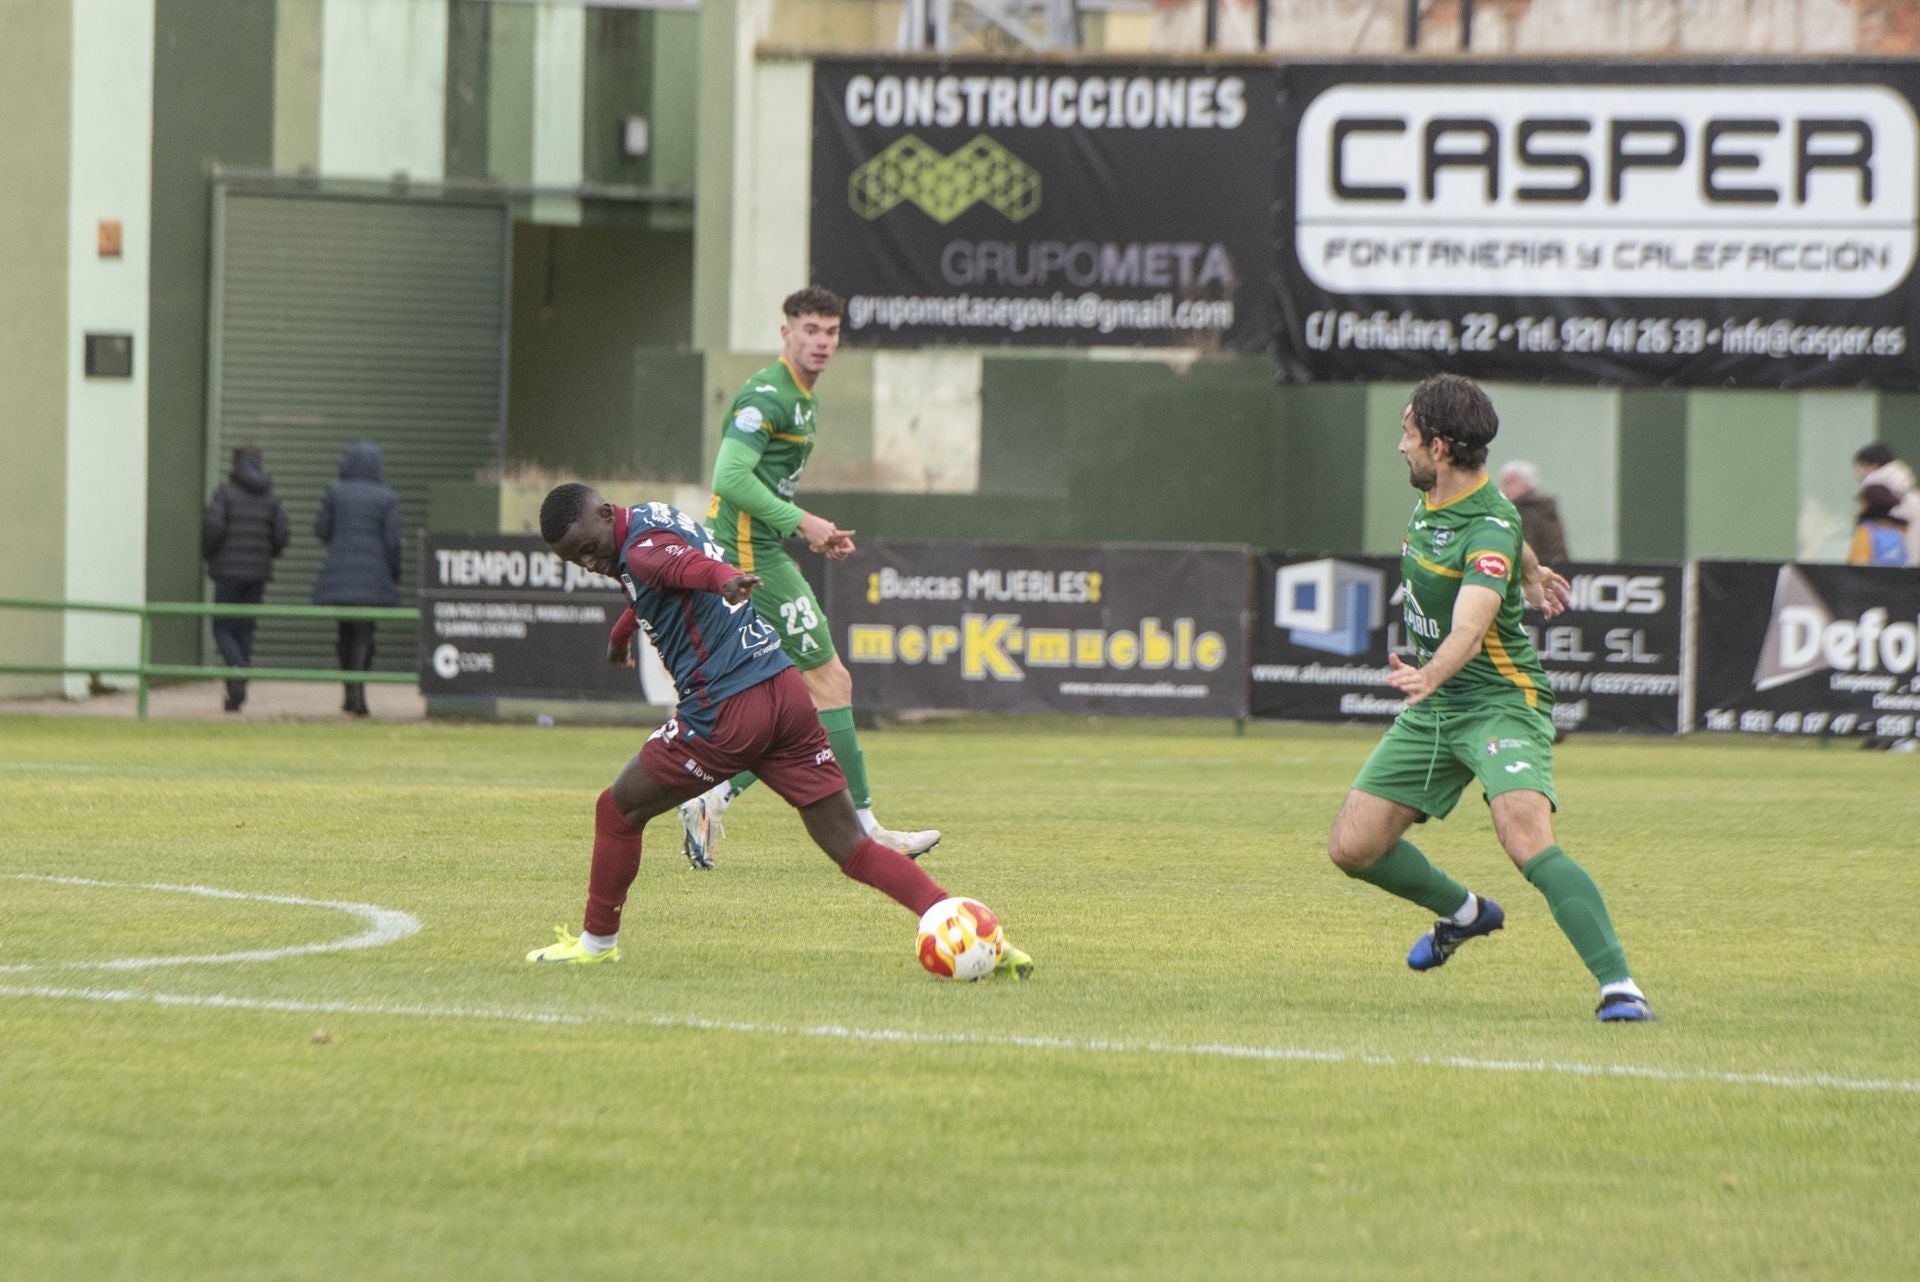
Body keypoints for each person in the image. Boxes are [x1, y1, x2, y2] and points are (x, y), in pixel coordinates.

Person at [523, 484, 1033, 976]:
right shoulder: (653, 518)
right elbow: (656, 582)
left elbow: (679, 567)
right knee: (850, 846)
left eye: (589, 549)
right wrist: (620, 637)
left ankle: (595, 945)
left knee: (615, 811)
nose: (590, 563)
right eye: (576, 560)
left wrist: (723, 578)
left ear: (606, 514)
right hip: (783, 691)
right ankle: (981, 936)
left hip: (723, 711)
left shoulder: (640, 554)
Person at [1325, 374, 1654, 1023]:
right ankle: (1466, 914)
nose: (1401, 447)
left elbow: (1471, 631)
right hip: (1438, 706)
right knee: (1353, 848)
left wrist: (1429, 673)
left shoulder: (1484, 519)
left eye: (1408, 433)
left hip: (1500, 700)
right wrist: (1531, 572)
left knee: (1525, 838)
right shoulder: (1452, 501)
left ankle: (1620, 986)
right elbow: (1507, 534)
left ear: (1440, 447)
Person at [674, 286, 939, 869]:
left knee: (794, 703)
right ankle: (867, 829)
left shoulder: (802, 399)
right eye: (810, 329)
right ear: (785, 332)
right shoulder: (767, 395)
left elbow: (763, 488)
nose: (821, 341)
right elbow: (729, 477)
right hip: (748, 554)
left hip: (762, 546)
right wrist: (807, 521)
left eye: (831, 332)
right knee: (832, 684)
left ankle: (712, 794)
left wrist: (804, 530)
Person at [312, 441, 400, 717]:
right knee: (365, 635)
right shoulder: (387, 497)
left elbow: (321, 530)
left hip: (340, 575)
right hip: (373, 578)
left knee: (344, 634)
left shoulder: (335, 493)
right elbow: (393, 542)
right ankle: (359, 695)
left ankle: (349, 694)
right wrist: (393, 573)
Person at [201, 446, 290, 713]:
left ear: (235, 464)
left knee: (222, 627)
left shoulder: (224, 494)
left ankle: (237, 670)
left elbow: (213, 528)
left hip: (228, 572)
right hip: (257, 574)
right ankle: (237, 690)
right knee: (245, 629)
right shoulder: (271, 499)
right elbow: (281, 536)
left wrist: (209, 555)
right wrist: (266, 555)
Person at [1851, 442, 1920, 566]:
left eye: (1861, 466)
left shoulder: (1876, 494)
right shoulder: (1912, 495)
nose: (1858, 473)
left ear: (1872, 466)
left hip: (1885, 576)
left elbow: (1859, 565)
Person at [1496, 459, 1569, 565]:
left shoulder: (1543, 510)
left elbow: (1554, 545)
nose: (1504, 488)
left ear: (1526, 484)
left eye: (1509, 482)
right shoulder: (1501, 509)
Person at [1848, 483, 1912, 567]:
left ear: (1867, 505)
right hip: (1898, 578)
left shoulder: (1865, 530)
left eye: (1861, 501)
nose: (1858, 506)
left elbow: (1859, 564)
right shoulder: (1900, 529)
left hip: (1869, 578)